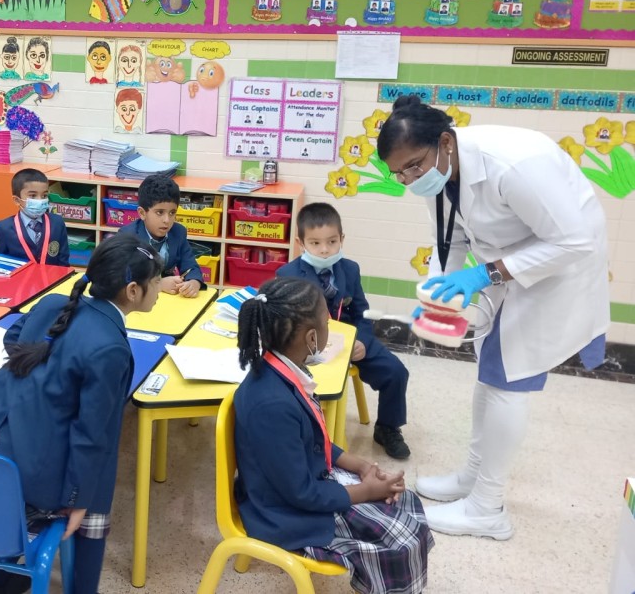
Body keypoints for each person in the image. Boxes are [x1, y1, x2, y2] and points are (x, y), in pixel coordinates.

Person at [377, 95, 609, 539]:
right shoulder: (440, 171)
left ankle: (488, 508)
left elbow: (574, 241)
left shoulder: (514, 164)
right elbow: (449, 239)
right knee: (489, 370)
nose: (409, 180)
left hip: (558, 271)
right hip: (510, 267)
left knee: (507, 379)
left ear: (445, 142)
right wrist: (437, 294)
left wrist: (484, 274)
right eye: (399, 173)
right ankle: (474, 477)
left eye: (413, 167)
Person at [0, 234, 163, 594]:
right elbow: (92, 435)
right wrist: (78, 501)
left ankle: (6, 574)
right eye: (157, 281)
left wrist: (44, 382)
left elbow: (13, 340)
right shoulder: (110, 347)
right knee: (95, 487)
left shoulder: (54, 303)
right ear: (133, 290)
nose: (161, 289)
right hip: (29, 472)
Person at [233, 277, 433, 594]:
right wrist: (366, 491)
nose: (330, 327)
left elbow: (311, 438)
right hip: (283, 514)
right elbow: (302, 494)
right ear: (312, 338)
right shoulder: (272, 403)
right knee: (403, 539)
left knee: (403, 500)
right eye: (328, 322)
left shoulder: (282, 371)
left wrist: (359, 466)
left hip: (303, 486)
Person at [277, 202, 411, 459]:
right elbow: (285, 321)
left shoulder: (350, 269)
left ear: (342, 239)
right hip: (307, 346)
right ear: (300, 243)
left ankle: (387, 428)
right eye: (315, 243)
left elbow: (361, 312)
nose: (325, 250)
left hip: (350, 341)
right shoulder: (287, 274)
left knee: (396, 371)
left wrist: (361, 341)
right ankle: (304, 430)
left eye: (332, 242)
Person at [117, 173, 203, 297]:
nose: (167, 220)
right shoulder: (127, 236)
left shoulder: (178, 233)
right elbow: (121, 278)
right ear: (142, 213)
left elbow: (191, 267)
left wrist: (194, 282)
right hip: (137, 300)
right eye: (159, 212)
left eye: (172, 213)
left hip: (168, 298)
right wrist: (158, 285)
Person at [0, 168, 69, 266]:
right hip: (20, 276)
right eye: (33, 196)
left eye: (44, 195)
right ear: (17, 200)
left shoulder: (57, 223)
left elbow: (63, 262)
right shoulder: (4, 228)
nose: (40, 200)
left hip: (52, 276)